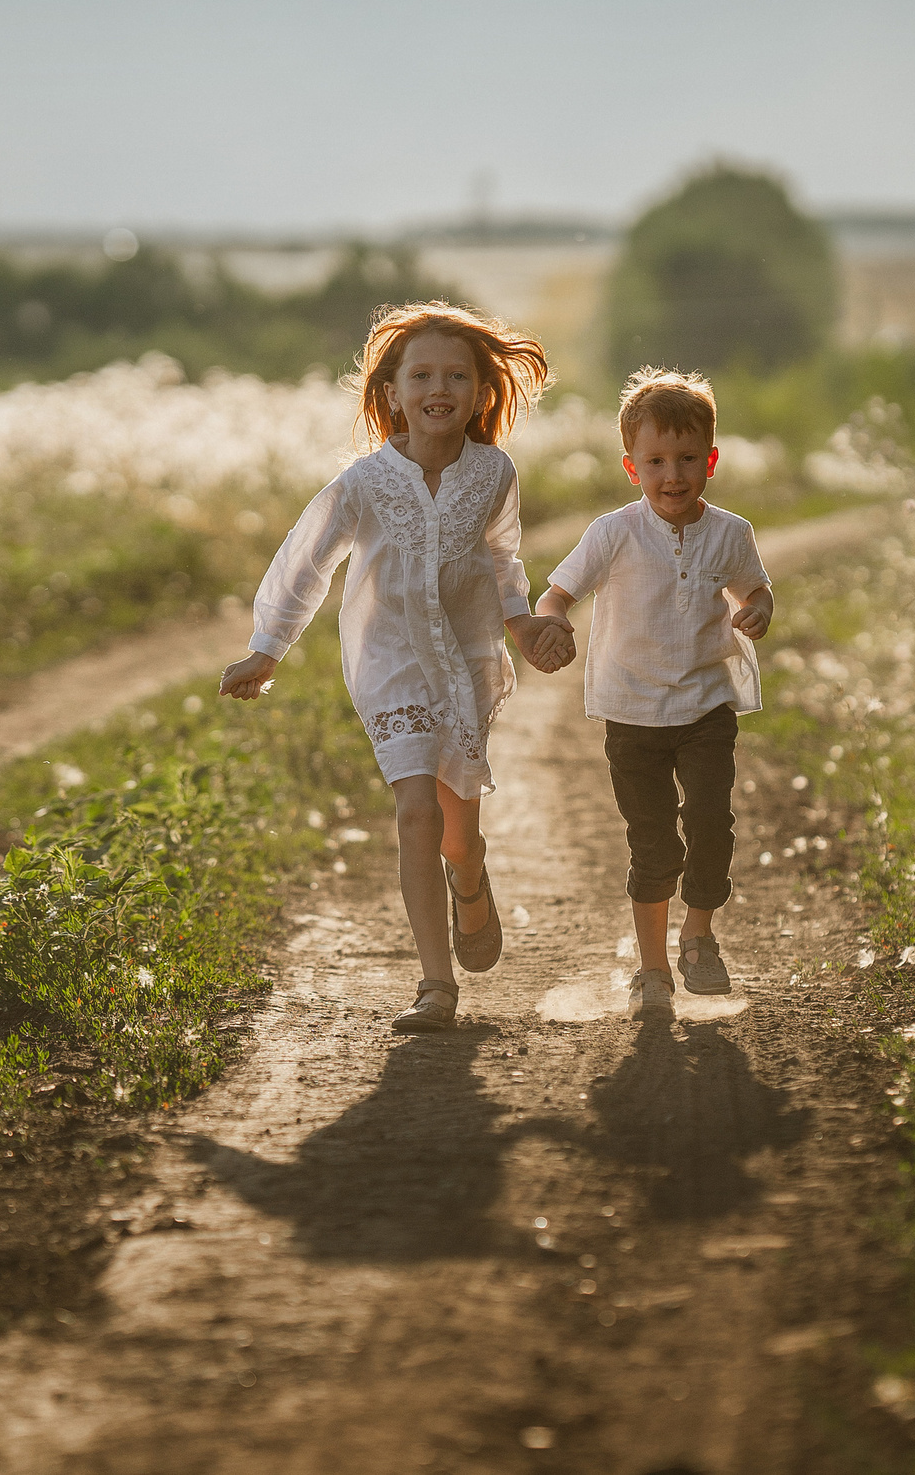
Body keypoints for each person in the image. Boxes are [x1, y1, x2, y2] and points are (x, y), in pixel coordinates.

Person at [219, 303, 576, 1032]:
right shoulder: (364, 483)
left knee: (457, 830)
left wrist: (525, 624)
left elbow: (504, 560)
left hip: (468, 662)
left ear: (480, 392)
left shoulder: (494, 474)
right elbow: (306, 560)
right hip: (389, 662)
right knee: (415, 813)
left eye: (455, 375)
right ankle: (435, 984)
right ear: (392, 392)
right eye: (421, 375)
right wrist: (267, 646)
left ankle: (470, 881)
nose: (437, 387)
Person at [535, 367, 772, 1018]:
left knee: (709, 824)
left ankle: (699, 937)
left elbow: (754, 586)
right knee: (653, 841)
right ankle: (652, 969)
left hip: (705, 708)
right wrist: (552, 616)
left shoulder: (731, 532)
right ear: (631, 466)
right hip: (632, 713)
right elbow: (558, 590)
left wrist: (757, 607)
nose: (674, 474)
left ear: (712, 460)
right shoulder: (613, 532)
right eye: (657, 461)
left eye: (688, 459)